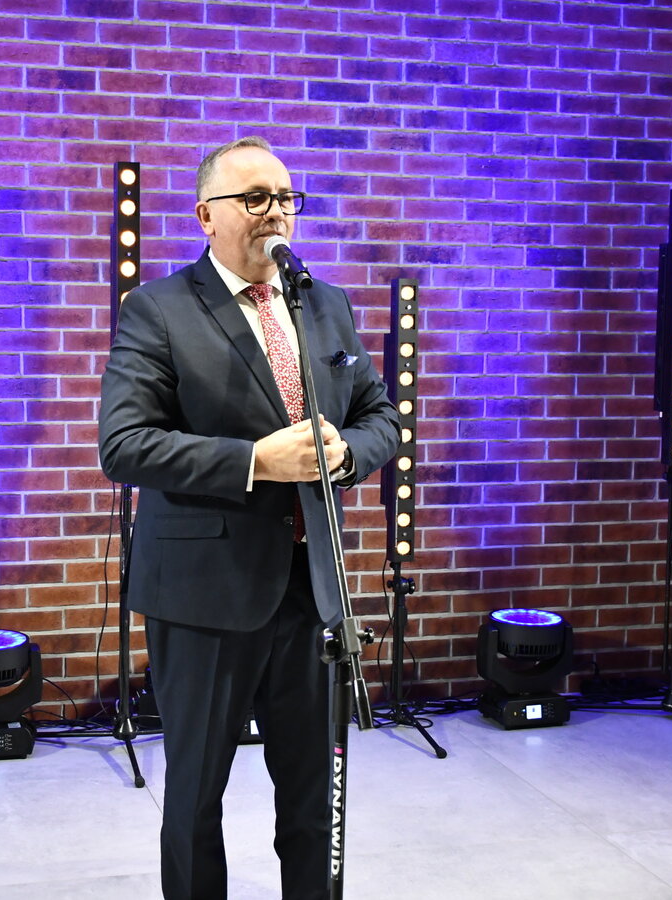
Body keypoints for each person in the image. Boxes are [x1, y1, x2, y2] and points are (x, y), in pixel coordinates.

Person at [98, 136, 399, 900]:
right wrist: (256, 461)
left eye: (286, 198)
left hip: (312, 592)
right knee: (196, 800)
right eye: (256, 198)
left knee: (313, 798)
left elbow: (382, 417)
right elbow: (124, 444)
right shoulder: (158, 309)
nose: (277, 213)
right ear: (206, 215)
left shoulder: (324, 304)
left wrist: (345, 453)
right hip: (204, 595)